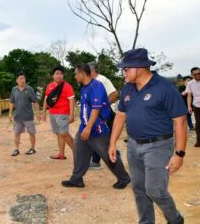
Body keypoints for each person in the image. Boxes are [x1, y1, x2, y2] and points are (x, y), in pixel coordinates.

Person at [109, 48, 187, 224]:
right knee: (139, 188)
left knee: (155, 190)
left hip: (158, 146)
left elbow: (180, 121)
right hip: (134, 145)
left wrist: (179, 154)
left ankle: (175, 219)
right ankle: (146, 221)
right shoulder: (128, 88)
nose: (124, 72)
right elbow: (121, 115)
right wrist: (112, 143)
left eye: (126, 68)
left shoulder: (165, 88)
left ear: (140, 67)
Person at [61, 63, 130, 189]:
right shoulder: (84, 88)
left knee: (107, 154)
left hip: (98, 128)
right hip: (85, 128)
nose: (75, 76)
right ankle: (77, 179)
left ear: (82, 73)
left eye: (76, 74)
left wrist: (89, 127)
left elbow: (96, 109)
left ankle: (124, 178)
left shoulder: (96, 86)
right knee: (79, 151)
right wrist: (84, 126)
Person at [88, 62, 118, 169]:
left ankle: (97, 162)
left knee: (102, 137)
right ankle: (97, 160)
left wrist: (103, 106)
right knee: (99, 136)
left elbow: (114, 94)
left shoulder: (102, 80)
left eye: (87, 70)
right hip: (97, 114)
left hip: (106, 114)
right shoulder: (91, 82)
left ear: (93, 71)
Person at [42, 66, 75, 160]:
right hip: (52, 113)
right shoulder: (49, 86)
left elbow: (71, 101)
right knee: (58, 134)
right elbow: (46, 100)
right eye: (57, 73)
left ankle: (76, 152)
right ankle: (61, 154)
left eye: (61, 74)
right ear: (53, 75)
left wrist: (72, 115)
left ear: (63, 75)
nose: (59, 76)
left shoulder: (67, 86)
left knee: (64, 133)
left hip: (63, 114)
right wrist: (44, 112)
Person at [9, 72, 40, 156]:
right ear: (17, 80)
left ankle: (32, 148)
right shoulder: (14, 89)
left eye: (24, 78)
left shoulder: (29, 89)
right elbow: (11, 102)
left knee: (31, 132)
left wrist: (38, 113)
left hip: (28, 116)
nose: (23, 80)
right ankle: (16, 149)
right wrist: (10, 113)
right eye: (20, 78)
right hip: (17, 116)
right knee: (16, 133)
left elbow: (35, 102)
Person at [187, 67, 200, 147]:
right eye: (195, 74)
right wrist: (189, 106)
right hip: (196, 105)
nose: (198, 75)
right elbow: (189, 96)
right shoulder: (190, 83)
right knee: (198, 124)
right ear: (192, 75)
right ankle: (199, 140)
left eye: (199, 73)